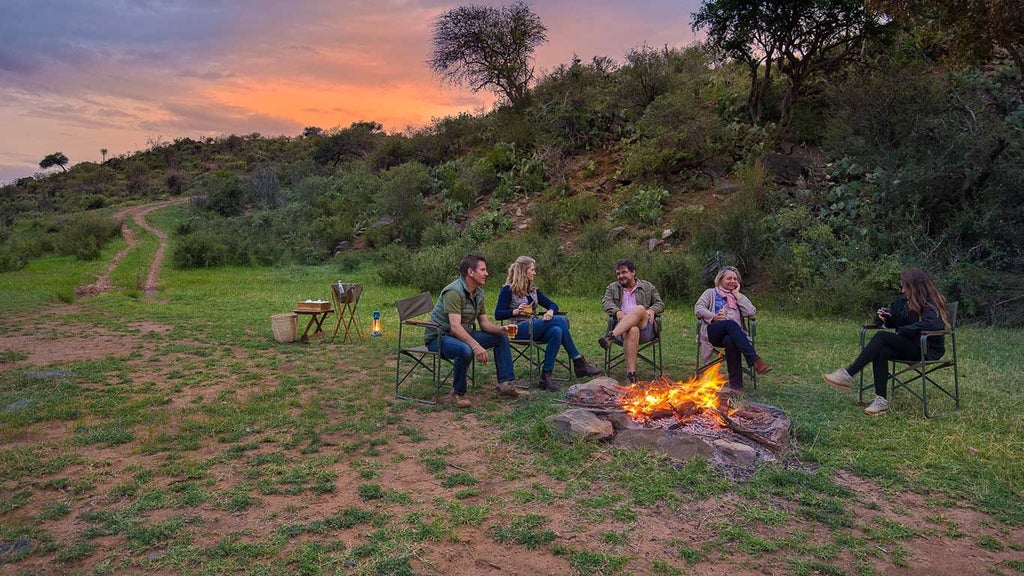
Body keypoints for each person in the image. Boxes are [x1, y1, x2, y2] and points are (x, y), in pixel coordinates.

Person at [823, 268, 949, 415]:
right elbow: (896, 322)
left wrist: (904, 330)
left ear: (916, 287)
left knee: (881, 337)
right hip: (908, 345)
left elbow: (934, 325)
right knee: (882, 350)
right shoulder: (904, 302)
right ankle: (880, 400)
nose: (902, 291)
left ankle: (848, 375)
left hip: (925, 349)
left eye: (905, 287)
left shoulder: (931, 303)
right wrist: (884, 318)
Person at [424, 254, 528, 408]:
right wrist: (475, 345)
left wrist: (501, 329)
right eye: (483, 270)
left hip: (461, 334)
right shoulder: (453, 292)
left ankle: (505, 386)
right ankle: (458, 394)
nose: (486, 273)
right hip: (439, 337)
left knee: (500, 338)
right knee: (465, 349)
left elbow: (484, 323)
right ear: (470, 272)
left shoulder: (478, 293)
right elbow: (455, 327)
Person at [494, 256, 603, 392]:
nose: (535, 273)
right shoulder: (508, 289)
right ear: (523, 271)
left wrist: (550, 311)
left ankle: (546, 375)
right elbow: (498, 314)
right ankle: (578, 361)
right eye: (532, 270)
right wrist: (516, 311)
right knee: (561, 320)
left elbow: (552, 304)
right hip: (516, 329)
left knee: (556, 331)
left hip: (533, 327)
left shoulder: (533, 290)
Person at [695, 266, 772, 393]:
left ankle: (737, 387)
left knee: (731, 340)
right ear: (720, 280)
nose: (733, 281)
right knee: (730, 324)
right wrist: (713, 316)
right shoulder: (710, 293)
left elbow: (751, 312)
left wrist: (737, 296)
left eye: (735, 279)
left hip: (734, 336)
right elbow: (698, 308)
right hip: (713, 331)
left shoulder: (739, 296)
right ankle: (755, 360)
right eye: (729, 278)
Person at [598, 258, 665, 384]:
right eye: (618, 274)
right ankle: (631, 375)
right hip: (623, 328)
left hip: (645, 328)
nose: (621, 276)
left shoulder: (647, 286)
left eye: (624, 272)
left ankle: (610, 336)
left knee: (639, 309)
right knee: (632, 329)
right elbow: (606, 302)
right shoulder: (612, 288)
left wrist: (652, 310)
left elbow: (660, 303)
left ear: (633, 272)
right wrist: (617, 311)